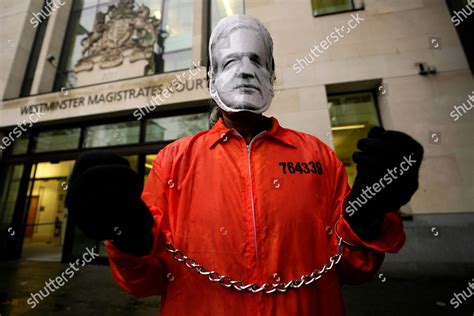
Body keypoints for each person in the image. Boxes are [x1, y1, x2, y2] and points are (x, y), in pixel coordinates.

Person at [66, 15, 423, 315]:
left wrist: (368, 213)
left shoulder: (318, 157)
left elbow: (352, 271)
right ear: (211, 79)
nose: (246, 71)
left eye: (256, 60)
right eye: (231, 61)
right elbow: (146, 281)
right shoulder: (174, 161)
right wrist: (127, 235)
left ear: (272, 74)